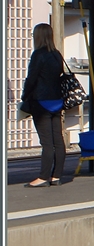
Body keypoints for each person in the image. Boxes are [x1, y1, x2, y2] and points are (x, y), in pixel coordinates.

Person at [21, 23, 66, 187]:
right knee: (58, 140)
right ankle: (57, 176)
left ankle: (43, 177)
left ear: (37, 36)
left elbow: (31, 78)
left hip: (41, 102)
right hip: (57, 101)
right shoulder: (56, 54)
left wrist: (25, 96)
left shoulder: (38, 55)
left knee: (46, 142)